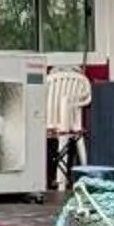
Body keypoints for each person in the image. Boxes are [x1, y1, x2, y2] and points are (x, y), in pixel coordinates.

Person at [44, 63, 91, 192]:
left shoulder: (48, 80)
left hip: (46, 123)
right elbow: (87, 97)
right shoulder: (82, 81)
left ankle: (57, 181)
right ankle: (62, 182)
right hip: (72, 123)